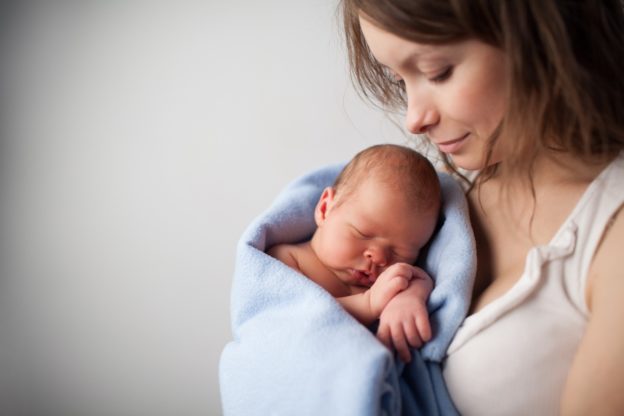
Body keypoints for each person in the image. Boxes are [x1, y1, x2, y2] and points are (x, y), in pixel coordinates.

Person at [340, 0, 624, 414]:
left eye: (438, 72)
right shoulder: (431, 196)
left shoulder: (611, 236)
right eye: (399, 81)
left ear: (539, 34)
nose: (413, 120)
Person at [268, 144, 441, 359]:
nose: (379, 258)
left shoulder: (387, 281)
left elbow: (418, 278)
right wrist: (367, 304)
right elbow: (291, 320)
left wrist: (408, 299)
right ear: (325, 209)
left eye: (400, 252)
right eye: (363, 233)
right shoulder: (286, 259)